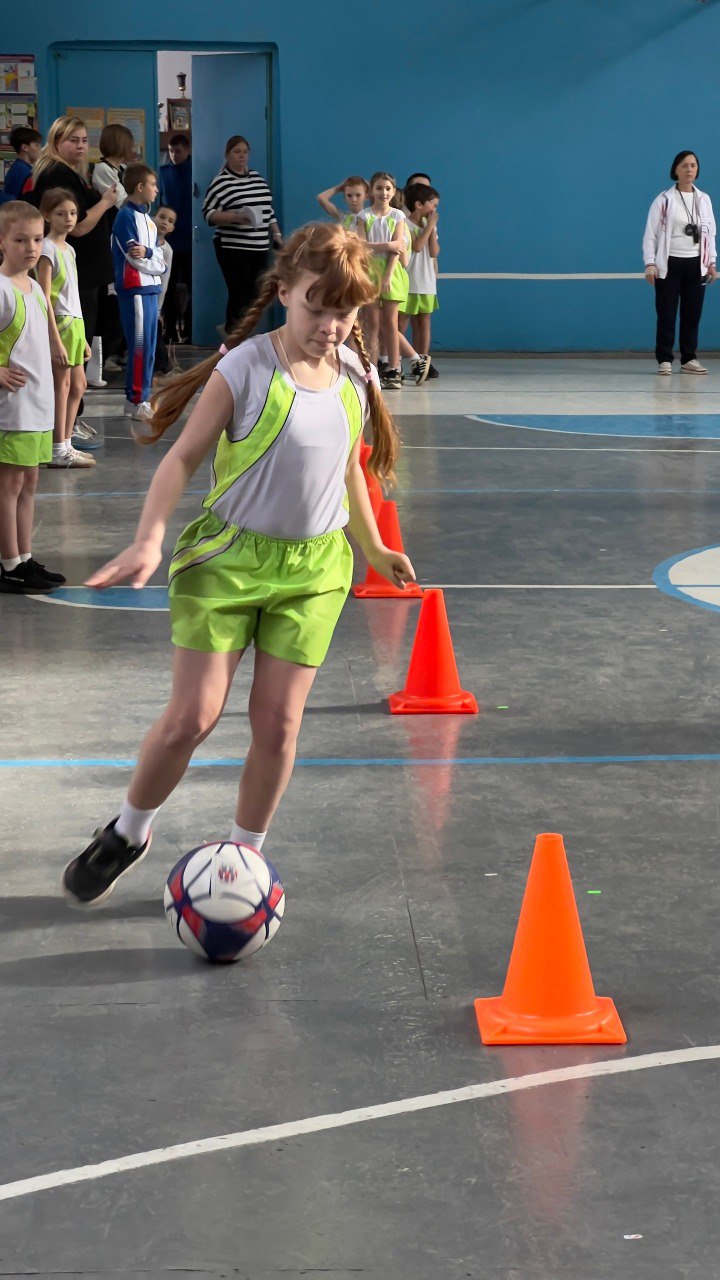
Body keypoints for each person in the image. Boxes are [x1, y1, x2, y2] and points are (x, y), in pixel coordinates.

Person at [61, 221, 416, 906]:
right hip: (227, 562)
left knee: (278, 725)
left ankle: (243, 859)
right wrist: (149, 537)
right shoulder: (246, 368)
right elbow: (181, 458)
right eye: (318, 307)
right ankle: (129, 831)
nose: (331, 326)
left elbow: (348, 467)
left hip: (314, 573)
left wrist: (372, 547)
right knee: (192, 718)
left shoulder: (352, 372)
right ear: (284, 293)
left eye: (345, 313)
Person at [0, 201, 66, 593]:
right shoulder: (2, 289)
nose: (31, 247)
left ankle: (24, 557)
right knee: (8, 487)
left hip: (38, 408)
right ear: (1, 242)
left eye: (38, 239)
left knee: (29, 485)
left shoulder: (36, 288)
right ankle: (8, 563)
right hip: (13, 410)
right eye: (20, 240)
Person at [643, 150, 717, 375]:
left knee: (692, 315)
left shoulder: (704, 199)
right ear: (675, 170)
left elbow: (710, 233)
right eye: (684, 165)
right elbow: (650, 234)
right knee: (666, 314)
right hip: (669, 265)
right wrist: (649, 263)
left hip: (697, 265)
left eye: (693, 165)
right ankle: (665, 359)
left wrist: (712, 262)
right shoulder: (664, 200)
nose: (689, 170)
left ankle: (689, 358)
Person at [36, 188, 95, 470]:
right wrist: (54, 339)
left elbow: (73, 295)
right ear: (47, 216)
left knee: (78, 385)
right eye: (61, 214)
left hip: (75, 324)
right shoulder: (46, 249)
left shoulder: (69, 249)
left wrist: (83, 338)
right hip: (60, 323)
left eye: (72, 213)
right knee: (62, 386)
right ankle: (58, 446)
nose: (68, 218)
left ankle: (66, 442)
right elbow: (45, 296)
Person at [202, 135, 283, 332]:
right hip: (232, 246)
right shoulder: (221, 182)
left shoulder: (257, 178)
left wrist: (277, 235)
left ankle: (237, 331)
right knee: (239, 292)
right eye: (237, 152)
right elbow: (209, 214)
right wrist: (235, 217)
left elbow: (268, 210)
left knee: (257, 292)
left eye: (245, 152)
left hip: (259, 245)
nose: (242, 156)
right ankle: (234, 334)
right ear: (227, 155)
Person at [111, 163, 166, 421]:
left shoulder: (150, 223)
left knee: (150, 347)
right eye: (153, 185)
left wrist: (151, 254)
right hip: (135, 291)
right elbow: (135, 257)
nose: (157, 190)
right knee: (139, 346)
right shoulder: (125, 217)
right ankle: (135, 400)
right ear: (140, 187)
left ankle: (141, 396)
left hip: (150, 289)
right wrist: (153, 259)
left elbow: (159, 259)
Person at [361, 172, 408, 390]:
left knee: (391, 323)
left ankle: (394, 368)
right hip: (370, 272)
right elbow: (361, 245)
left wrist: (388, 275)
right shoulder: (364, 216)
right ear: (371, 191)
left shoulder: (398, 215)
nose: (384, 192)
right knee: (373, 324)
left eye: (388, 188)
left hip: (391, 272)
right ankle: (372, 369)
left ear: (394, 191)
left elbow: (397, 247)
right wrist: (385, 245)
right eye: (379, 188)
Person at [400, 182, 440, 383]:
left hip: (426, 282)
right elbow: (416, 247)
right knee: (401, 324)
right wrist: (429, 226)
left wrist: (431, 228)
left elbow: (433, 252)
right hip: (409, 281)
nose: (434, 210)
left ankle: (421, 362)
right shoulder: (404, 224)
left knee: (424, 323)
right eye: (432, 204)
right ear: (418, 205)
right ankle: (394, 362)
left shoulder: (429, 225)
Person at [158, 134, 192, 343]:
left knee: (190, 285)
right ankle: (169, 328)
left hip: (189, 238)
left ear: (187, 150)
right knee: (167, 285)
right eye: (171, 151)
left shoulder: (194, 170)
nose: (174, 155)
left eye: (178, 151)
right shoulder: (163, 172)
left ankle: (189, 329)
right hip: (168, 238)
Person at [153, 204, 177, 376]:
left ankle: (164, 365)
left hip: (153, 297)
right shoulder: (143, 242)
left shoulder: (167, 251)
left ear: (172, 228)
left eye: (169, 221)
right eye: (161, 217)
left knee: (152, 330)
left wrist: (158, 308)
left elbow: (164, 281)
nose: (164, 222)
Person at [0, 127, 42, 205]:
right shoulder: (21, 170)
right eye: (36, 145)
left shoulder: (20, 167)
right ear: (25, 147)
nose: (40, 148)